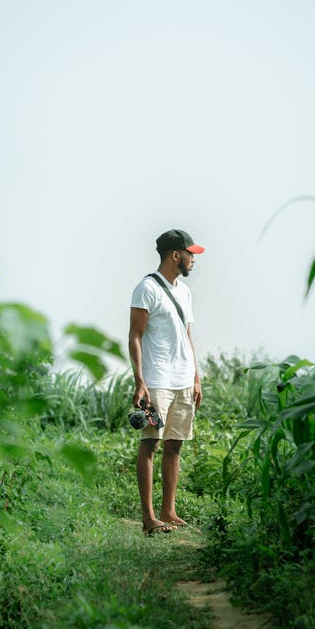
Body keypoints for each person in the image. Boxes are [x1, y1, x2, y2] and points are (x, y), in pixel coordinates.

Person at [129, 229, 205, 534]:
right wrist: (140, 381)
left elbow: (188, 336)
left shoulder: (185, 292)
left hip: (184, 379)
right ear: (176, 255)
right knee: (151, 444)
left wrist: (196, 377)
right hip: (157, 378)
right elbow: (135, 335)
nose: (194, 259)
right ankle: (149, 519)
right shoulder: (145, 288)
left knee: (175, 445)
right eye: (191, 253)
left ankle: (168, 511)